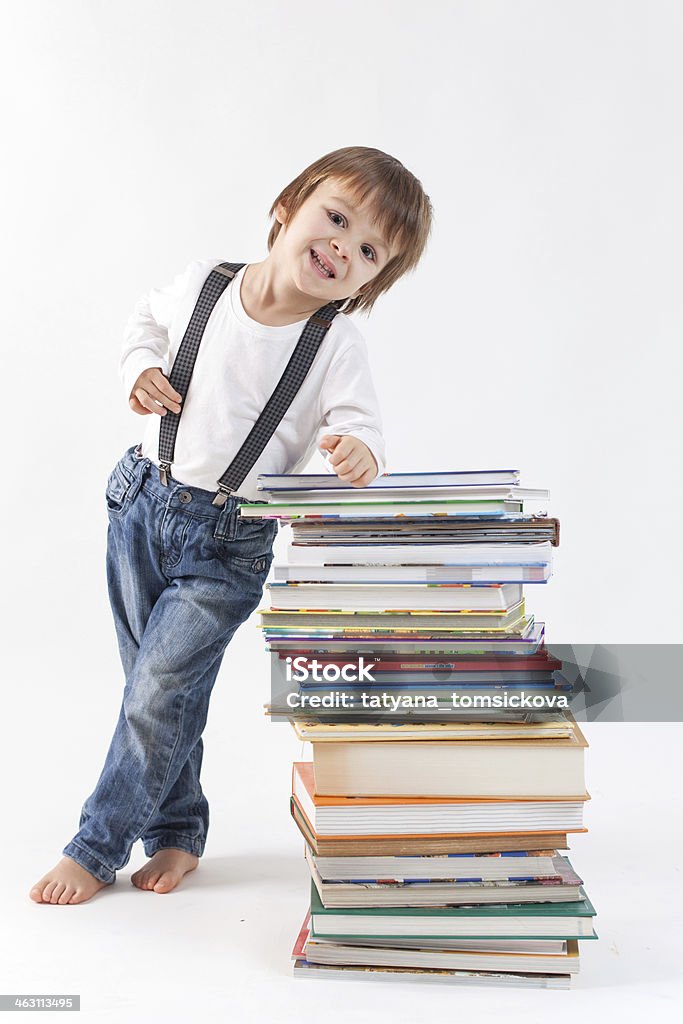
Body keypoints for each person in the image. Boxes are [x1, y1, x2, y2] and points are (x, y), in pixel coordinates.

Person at [30, 146, 433, 905]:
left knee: (156, 690)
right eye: (337, 218)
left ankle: (96, 845)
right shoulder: (202, 285)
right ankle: (179, 833)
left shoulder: (334, 344)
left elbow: (363, 425)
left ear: (370, 282)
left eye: (369, 250)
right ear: (288, 206)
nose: (343, 246)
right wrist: (137, 371)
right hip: (138, 505)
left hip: (226, 543)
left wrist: (356, 450)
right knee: (154, 690)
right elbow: (141, 323)